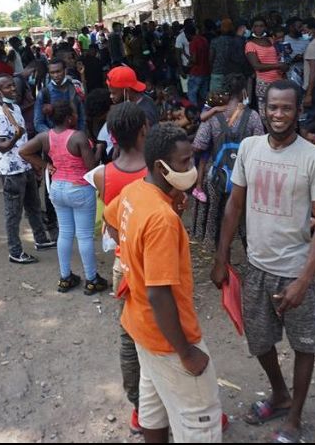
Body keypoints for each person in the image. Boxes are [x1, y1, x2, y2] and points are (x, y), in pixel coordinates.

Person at [212, 80, 315, 444]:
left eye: (287, 108)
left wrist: (304, 279)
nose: (278, 115)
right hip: (256, 266)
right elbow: (234, 205)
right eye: (273, 107)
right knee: (259, 340)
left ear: (298, 111)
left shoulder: (314, 158)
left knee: (304, 344)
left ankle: (294, 418)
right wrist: (222, 258)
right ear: (263, 109)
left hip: (295, 269)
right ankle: (280, 394)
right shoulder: (249, 148)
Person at [105, 123, 223, 443]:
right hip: (169, 338)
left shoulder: (134, 191)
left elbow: (111, 220)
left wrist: (132, 263)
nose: (191, 168)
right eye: (185, 162)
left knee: (153, 405)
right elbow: (159, 294)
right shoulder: (162, 219)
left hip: (140, 325)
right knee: (201, 421)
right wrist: (186, 352)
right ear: (161, 166)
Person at [91, 102, 149, 435]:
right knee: (167, 333)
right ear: (144, 130)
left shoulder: (102, 175)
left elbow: (111, 225)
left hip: (123, 265)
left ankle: (141, 407)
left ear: (111, 136)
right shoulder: (159, 170)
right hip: (156, 263)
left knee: (129, 335)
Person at [20, 101, 107, 294]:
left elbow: (23, 151)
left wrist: (45, 165)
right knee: (84, 236)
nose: (77, 116)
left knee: (65, 233)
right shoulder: (78, 137)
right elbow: (91, 167)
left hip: (57, 188)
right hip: (79, 189)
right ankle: (92, 279)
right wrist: (99, 150)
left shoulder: (45, 136)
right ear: (69, 118)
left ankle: (65, 277)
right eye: (75, 114)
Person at [191, 73, 263, 251]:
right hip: (245, 176)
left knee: (215, 212)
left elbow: (198, 145)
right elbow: (261, 144)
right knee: (243, 215)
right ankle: (248, 247)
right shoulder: (252, 116)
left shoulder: (213, 116)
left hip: (217, 175)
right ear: (243, 92)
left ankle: (217, 249)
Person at [0, 74, 56, 265]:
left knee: (34, 206)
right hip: (11, 172)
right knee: (13, 213)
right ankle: (15, 251)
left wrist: (33, 162)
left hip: (24, 165)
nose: (13, 89)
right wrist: (16, 137)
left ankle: (41, 240)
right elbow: (2, 146)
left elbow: (24, 142)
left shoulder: (15, 108)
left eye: (13, 86)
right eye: (8, 87)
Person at [245, 17, 287, 119]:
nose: (259, 28)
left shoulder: (270, 41)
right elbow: (256, 66)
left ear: (265, 27)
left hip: (278, 80)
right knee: (266, 114)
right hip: (264, 83)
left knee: (280, 109)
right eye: (256, 26)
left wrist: (283, 67)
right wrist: (278, 65)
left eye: (261, 26)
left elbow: (278, 57)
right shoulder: (250, 44)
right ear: (252, 29)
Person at [33, 58, 86, 134]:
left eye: (58, 71)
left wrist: (80, 134)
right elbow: (38, 123)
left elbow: (82, 116)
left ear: (65, 70)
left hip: (75, 137)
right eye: (52, 73)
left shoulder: (75, 87)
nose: (55, 75)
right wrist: (55, 136)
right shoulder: (44, 93)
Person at [209, 19, 241, 93]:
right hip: (232, 73)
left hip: (217, 72)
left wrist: (212, 70)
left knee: (216, 98)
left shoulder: (215, 41)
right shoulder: (236, 41)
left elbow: (211, 58)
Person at [188, 25, 212, 108]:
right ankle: (208, 111)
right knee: (204, 94)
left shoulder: (193, 42)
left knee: (192, 94)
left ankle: (194, 113)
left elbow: (194, 59)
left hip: (196, 71)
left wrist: (189, 62)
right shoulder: (204, 40)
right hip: (206, 70)